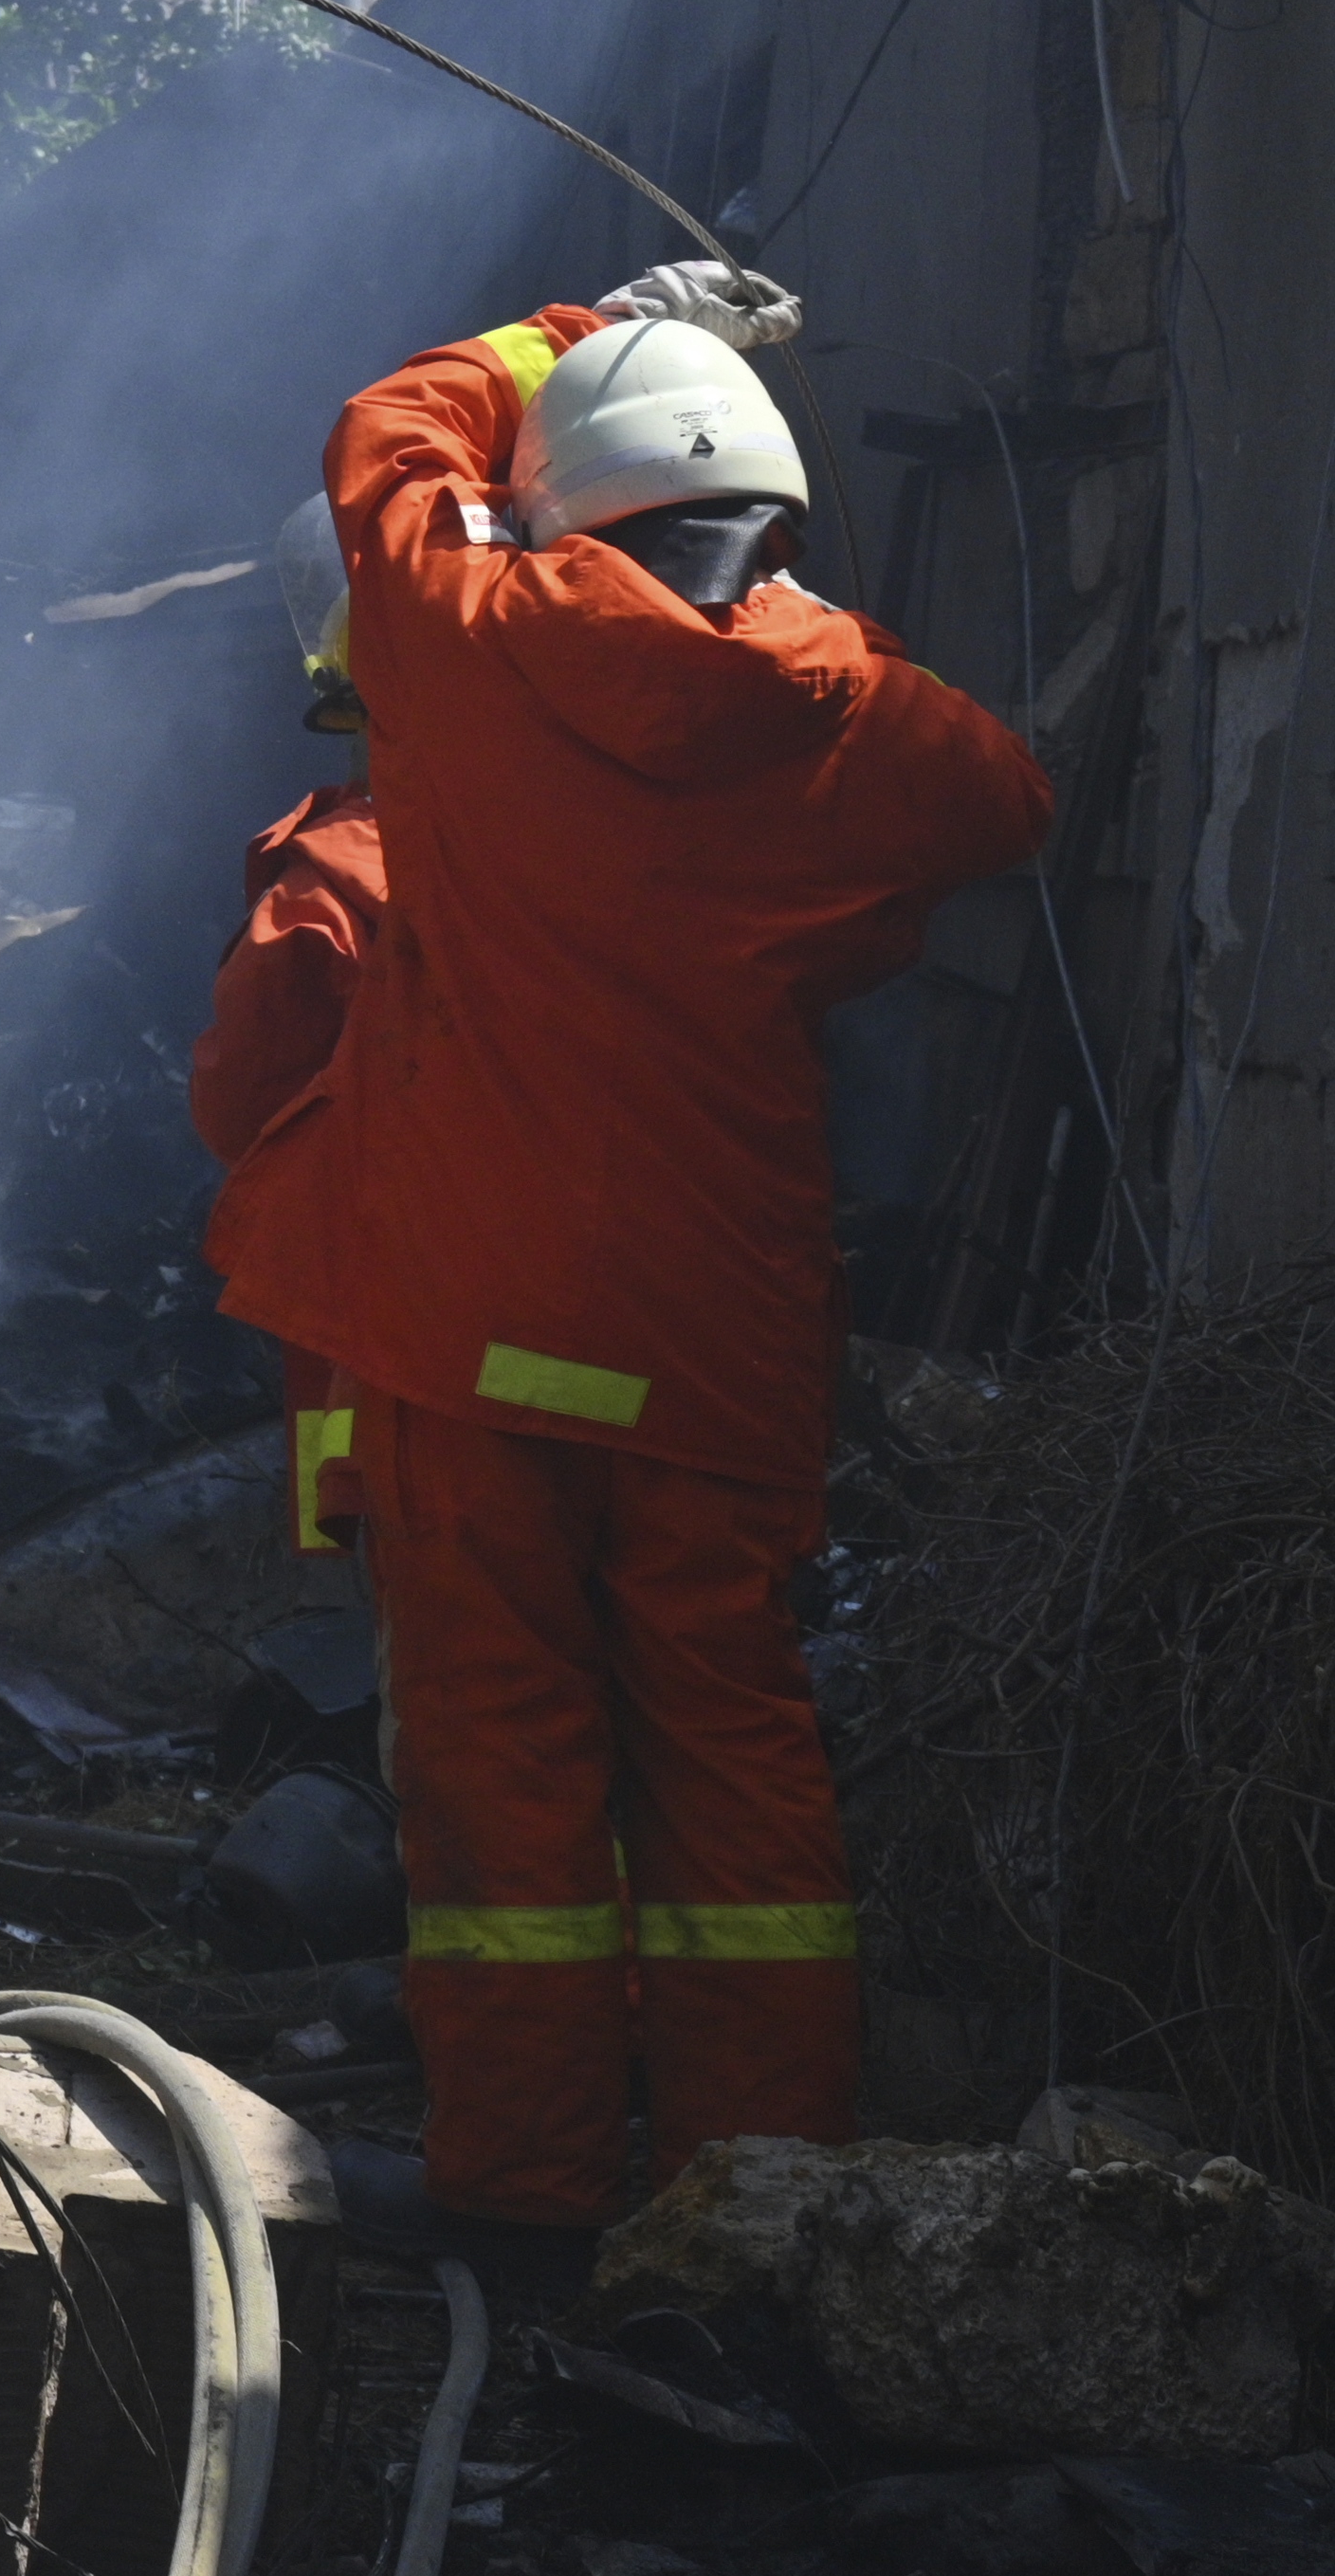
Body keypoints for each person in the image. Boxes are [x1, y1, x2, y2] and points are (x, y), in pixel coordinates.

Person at [225, 259, 1052, 2256]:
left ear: (559, 508)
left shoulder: (470, 629)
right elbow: (1006, 804)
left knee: (503, 1747)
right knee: (729, 1732)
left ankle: (522, 2179)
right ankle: (760, 2181)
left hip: (467, 1313)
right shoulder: (848, 706)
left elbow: (386, 433)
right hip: (707, 1330)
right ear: (768, 519)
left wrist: (574, 325)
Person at [192, 494, 386, 1562]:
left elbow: (238, 1099)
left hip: (418, 1359)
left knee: (470, 1681)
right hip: (694, 1362)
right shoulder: (653, 846)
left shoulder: (342, 881)